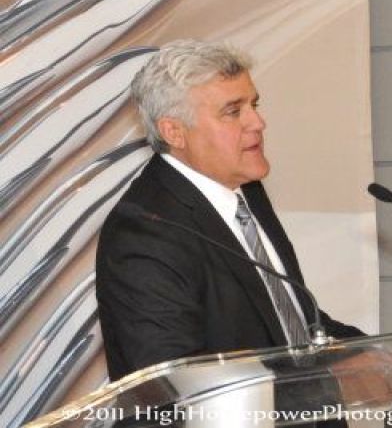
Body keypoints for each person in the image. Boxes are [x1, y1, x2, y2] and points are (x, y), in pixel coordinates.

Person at [96, 39, 364, 383]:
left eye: (254, 104)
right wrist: (327, 386)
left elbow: (290, 319)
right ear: (174, 131)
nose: (258, 122)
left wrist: (372, 354)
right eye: (233, 111)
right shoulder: (143, 234)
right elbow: (178, 384)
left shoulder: (246, 189)